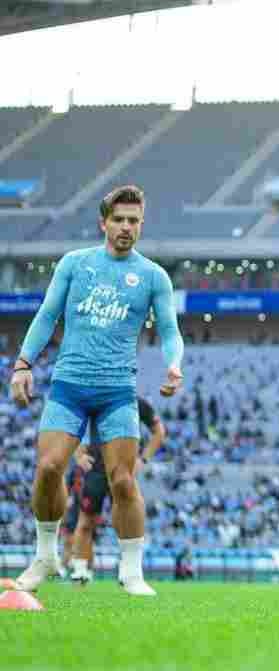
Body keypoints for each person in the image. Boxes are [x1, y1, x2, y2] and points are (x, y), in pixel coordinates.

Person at [9, 185, 184, 596]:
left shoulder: (153, 276)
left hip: (116, 392)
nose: (126, 227)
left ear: (142, 225)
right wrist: (22, 365)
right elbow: (47, 314)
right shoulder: (75, 264)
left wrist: (174, 364)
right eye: (119, 219)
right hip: (69, 385)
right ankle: (46, 555)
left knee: (123, 480)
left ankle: (132, 572)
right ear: (104, 222)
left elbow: (171, 331)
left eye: (134, 221)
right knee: (49, 468)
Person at [67, 395, 166, 585]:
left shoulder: (138, 403)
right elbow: (72, 424)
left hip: (123, 469)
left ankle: (127, 569)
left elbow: (159, 431)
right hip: (96, 468)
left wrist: (143, 460)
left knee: (124, 521)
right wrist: (78, 454)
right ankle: (80, 571)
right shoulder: (97, 398)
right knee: (86, 519)